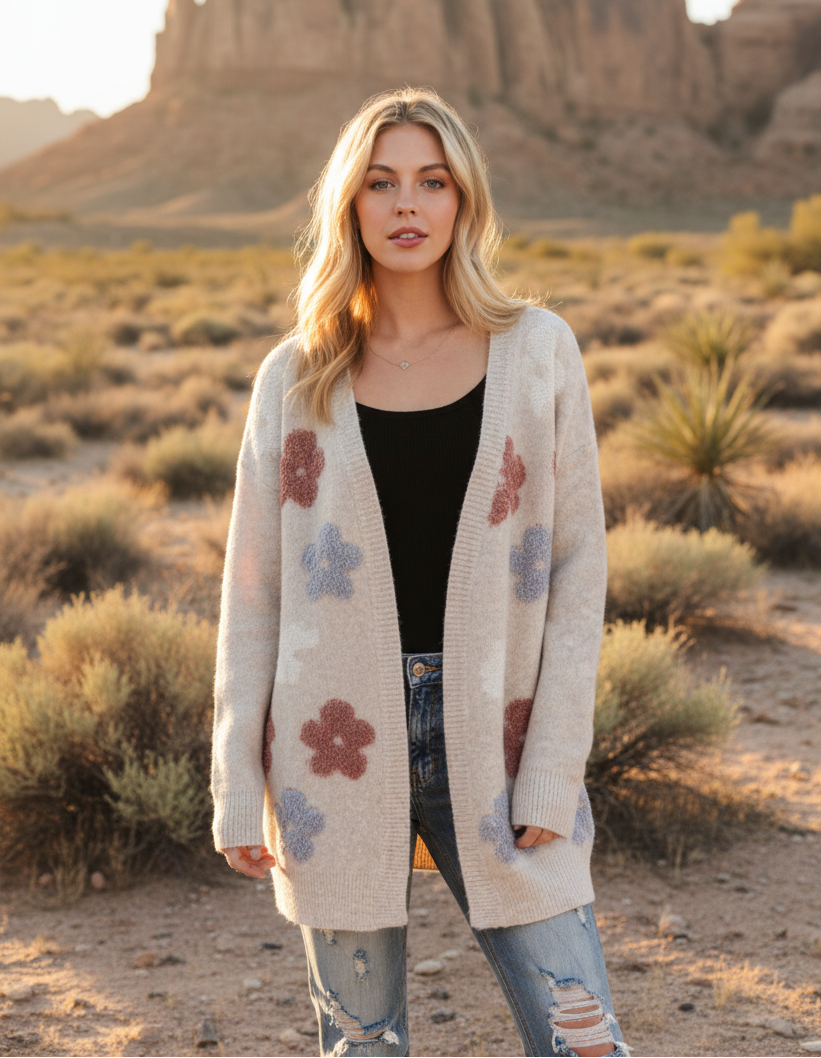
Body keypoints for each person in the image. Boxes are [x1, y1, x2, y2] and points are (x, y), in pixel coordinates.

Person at [211, 87, 626, 1058]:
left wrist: (552, 766)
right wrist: (237, 777)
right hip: (330, 742)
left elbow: (578, 570)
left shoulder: (535, 350)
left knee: (584, 1037)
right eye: (380, 182)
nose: (407, 205)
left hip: (501, 729)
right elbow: (252, 593)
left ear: (464, 201)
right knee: (361, 1044)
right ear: (348, 206)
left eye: (431, 182)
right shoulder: (297, 375)